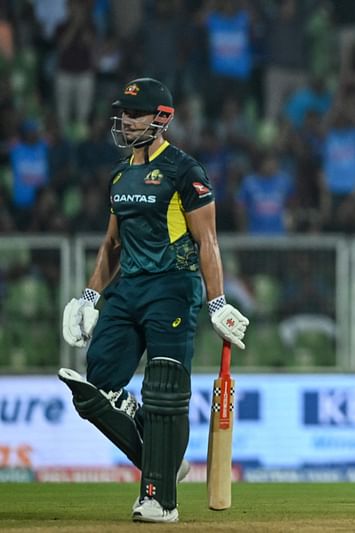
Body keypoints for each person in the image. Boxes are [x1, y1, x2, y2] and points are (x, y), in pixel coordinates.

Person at [57, 78, 249, 523]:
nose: (125, 121)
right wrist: (89, 296)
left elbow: (209, 242)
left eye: (135, 113)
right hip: (127, 291)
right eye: (123, 113)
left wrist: (217, 303)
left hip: (173, 288)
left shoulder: (185, 171)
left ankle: (159, 498)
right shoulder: (121, 175)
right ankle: (163, 459)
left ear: (161, 118)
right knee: (94, 388)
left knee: (164, 390)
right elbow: (112, 245)